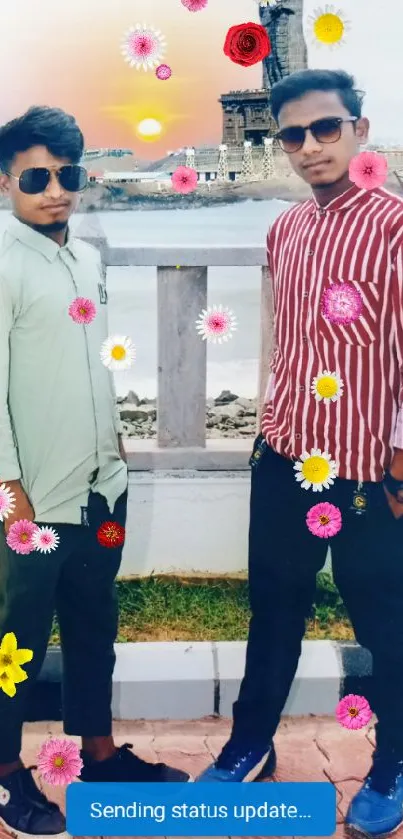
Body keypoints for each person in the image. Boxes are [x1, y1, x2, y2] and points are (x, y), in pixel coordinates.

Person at [197, 68, 403, 837]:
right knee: (272, 608)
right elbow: (290, 339)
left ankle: (393, 760)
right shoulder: (284, 229)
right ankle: (250, 742)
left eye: (326, 128)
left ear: (359, 129)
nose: (310, 146)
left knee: (386, 622)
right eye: (293, 134)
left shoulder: (394, 226)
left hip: (367, 470)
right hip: (286, 455)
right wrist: (265, 423)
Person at [0, 106, 189, 839]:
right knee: (15, 636)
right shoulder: (6, 263)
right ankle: (8, 772)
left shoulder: (83, 258)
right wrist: (7, 485)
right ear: (8, 179)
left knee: (93, 621)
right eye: (36, 176)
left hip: (99, 488)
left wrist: (113, 448)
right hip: (32, 497)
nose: (54, 190)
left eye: (67, 175)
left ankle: (99, 751)